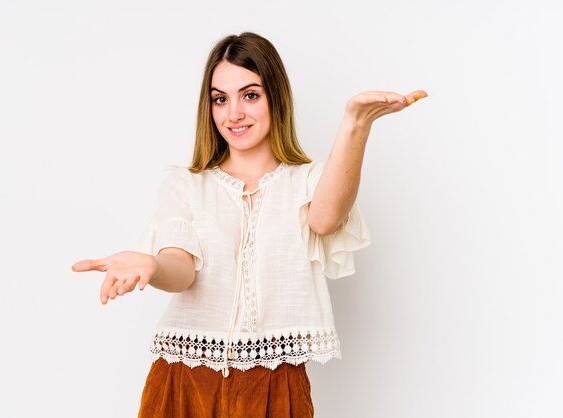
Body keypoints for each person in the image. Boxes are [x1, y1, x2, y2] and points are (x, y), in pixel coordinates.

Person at [72, 32, 427, 418]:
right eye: (220, 99)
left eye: (250, 95)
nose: (234, 113)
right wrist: (153, 265)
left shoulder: (306, 183)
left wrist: (355, 124)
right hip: (184, 378)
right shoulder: (185, 185)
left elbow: (325, 220)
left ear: (276, 97)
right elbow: (182, 269)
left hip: (274, 383)